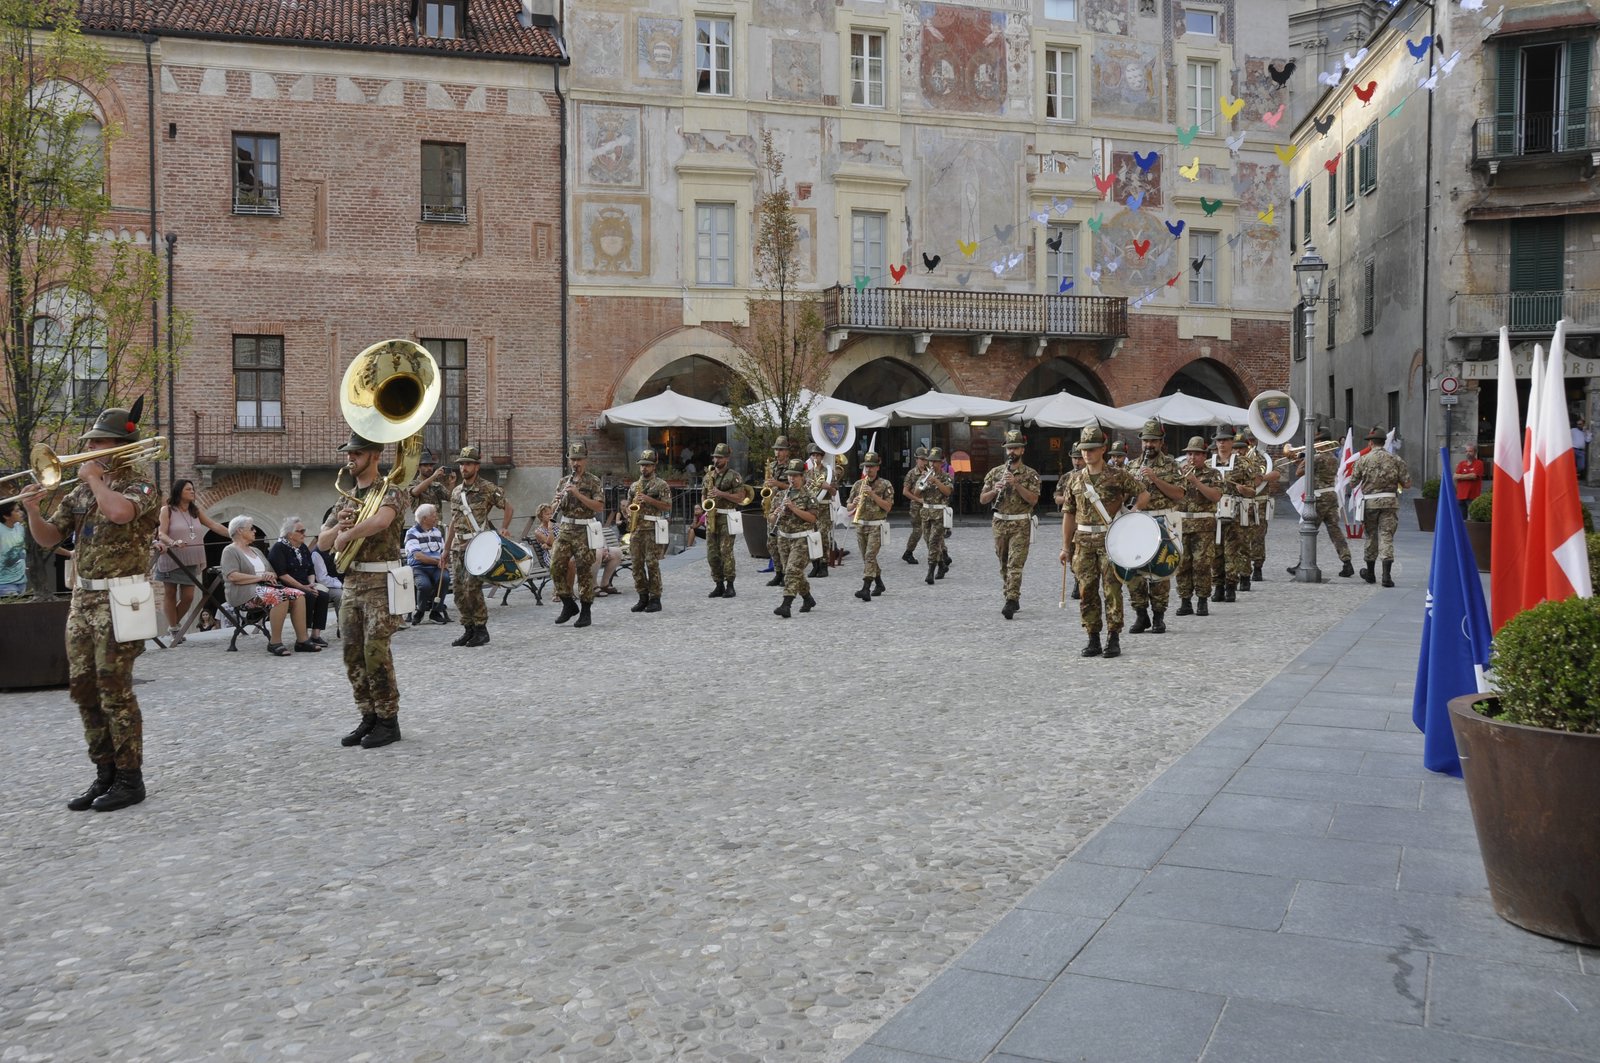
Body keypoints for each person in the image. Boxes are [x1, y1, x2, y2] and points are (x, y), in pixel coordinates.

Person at [18, 400, 160, 812]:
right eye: (91, 441)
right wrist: (31, 510)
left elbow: (119, 513)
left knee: (114, 688)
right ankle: (105, 772)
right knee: (83, 690)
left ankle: (131, 779)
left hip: (123, 597)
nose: (91, 446)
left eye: (100, 441)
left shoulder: (141, 485)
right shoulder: (79, 490)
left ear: (121, 446)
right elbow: (49, 539)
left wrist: (98, 480)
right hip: (84, 596)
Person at [316, 432, 406, 749]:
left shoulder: (391, 491)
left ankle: (388, 721)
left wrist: (349, 533)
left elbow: (381, 521)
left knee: (375, 651)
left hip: (382, 582)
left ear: (374, 455)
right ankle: (367, 715)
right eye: (349, 454)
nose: (350, 459)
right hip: (353, 582)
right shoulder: (346, 498)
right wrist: (337, 527)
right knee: (352, 653)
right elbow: (322, 542)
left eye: (356, 454)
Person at [1060, 425, 1149, 658]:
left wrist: (1133, 512)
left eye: (1091, 449)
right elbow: (1068, 514)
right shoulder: (1075, 480)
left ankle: (1113, 637)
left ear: (1103, 449)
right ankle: (1093, 638)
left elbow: (1143, 493)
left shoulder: (1117, 475)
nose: (1086, 454)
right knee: (1086, 591)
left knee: (1112, 589)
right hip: (1083, 542)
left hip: (1111, 540)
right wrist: (1065, 547)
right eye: (1083, 450)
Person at [442, 445, 513, 647]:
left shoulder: (487, 488)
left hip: (478, 545)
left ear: (477, 466)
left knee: (472, 588)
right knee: (458, 591)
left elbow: (508, 506)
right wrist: (446, 549)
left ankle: (481, 629)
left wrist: (504, 528)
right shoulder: (456, 492)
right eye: (462, 464)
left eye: (468, 464)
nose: (464, 468)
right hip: (458, 547)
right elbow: (454, 522)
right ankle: (468, 629)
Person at [222, 515, 316, 656]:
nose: (255, 531)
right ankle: (275, 642)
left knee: (298, 594)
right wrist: (259, 577)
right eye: (252, 528)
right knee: (280, 596)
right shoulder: (230, 550)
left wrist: (269, 575)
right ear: (240, 531)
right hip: (243, 592)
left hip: (265, 589)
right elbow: (232, 576)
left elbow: (273, 572)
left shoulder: (256, 551)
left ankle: (302, 640)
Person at [152, 478, 229, 643]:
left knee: (188, 596)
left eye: (193, 489)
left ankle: (173, 625)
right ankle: (174, 629)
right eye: (188, 489)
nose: (192, 492)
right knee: (170, 593)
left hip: (191, 559)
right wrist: (173, 542)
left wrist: (234, 534)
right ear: (179, 492)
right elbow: (161, 534)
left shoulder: (195, 511)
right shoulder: (167, 510)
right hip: (172, 558)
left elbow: (214, 525)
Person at [1129, 419, 1185, 634]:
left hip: (1162, 521)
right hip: (1138, 520)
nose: (1148, 445)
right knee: (1135, 570)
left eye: (1153, 441)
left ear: (1161, 442)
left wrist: (1154, 479)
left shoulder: (1171, 465)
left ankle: (1159, 616)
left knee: (1160, 570)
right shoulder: (1132, 465)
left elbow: (1179, 494)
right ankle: (1141, 614)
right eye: (1145, 441)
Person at [981, 429, 1042, 620]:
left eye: (1015, 448)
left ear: (1022, 450)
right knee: (1003, 562)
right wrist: (994, 490)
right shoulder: (995, 473)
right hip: (999, 522)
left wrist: (1015, 484)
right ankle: (1009, 593)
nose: (1012, 452)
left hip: (1020, 524)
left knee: (1015, 563)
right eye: (1009, 448)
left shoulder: (1030, 474)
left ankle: (1011, 599)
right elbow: (983, 499)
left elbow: (1033, 500)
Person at [550, 441, 605, 627]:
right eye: (573, 459)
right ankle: (568, 603)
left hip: (584, 529)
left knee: (584, 571)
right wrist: (556, 501)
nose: (576, 463)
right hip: (566, 528)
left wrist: (578, 494)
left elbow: (598, 506)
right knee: (555, 565)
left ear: (586, 460)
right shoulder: (563, 481)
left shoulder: (593, 481)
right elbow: (554, 509)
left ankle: (586, 611)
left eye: (579, 459)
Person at [1288, 428, 1355, 578]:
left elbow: (1299, 472)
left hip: (1319, 498)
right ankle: (1347, 562)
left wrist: (1305, 459)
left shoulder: (1316, 458)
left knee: (1308, 530)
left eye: (1317, 442)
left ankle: (1303, 563)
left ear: (1322, 443)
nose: (1314, 445)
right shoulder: (1333, 458)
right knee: (1335, 531)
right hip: (1331, 496)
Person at [1350, 425, 1411, 587]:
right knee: (1386, 536)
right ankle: (1386, 576)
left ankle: (1370, 574)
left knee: (1371, 536)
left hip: (1369, 503)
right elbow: (1407, 484)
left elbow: (1352, 482)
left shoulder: (1363, 460)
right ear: (1384, 442)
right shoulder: (1396, 459)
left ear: (1371, 443)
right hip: (1390, 502)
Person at [1173, 437, 1223, 616]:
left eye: (1196, 454)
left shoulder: (1213, 474)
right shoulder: (1179, 473)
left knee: (1202, 564)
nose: (1192, 458)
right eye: (1189, 454)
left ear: (1204, 455)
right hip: (1182, 525)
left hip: (1203, 526)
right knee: (1182, 564)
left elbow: (1215, 496)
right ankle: (1185, 600)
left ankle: (1202, 600)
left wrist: (1195, 481)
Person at [1207, 429, 1260, 602]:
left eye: (1226, 440)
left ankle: (1231, 586)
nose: (1222, 443)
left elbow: (1253, 491)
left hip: (1235, 512)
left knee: (1232, 551)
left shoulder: (1243, 464)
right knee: (1215, 552)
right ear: (1216, 443)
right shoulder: (1209, 464)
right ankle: (1218, 586)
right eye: (1219, 440)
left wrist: (1245, 490)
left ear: (1231, 442)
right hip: (1213, 512)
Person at [268, 516, 332, 647]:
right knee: (308, 596)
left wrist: (311, 584)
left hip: (305, 584)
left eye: (304, 530)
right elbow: (282, 574)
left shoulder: (302, 547)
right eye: (300, 531)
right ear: (290, 534)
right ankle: (303, 636)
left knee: (323, 596)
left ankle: (316, 634)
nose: (304, 534)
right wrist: (303, 588)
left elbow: (310, 569)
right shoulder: (279, 548)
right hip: (288, 585)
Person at [772, 458, 818, 618]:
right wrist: (777, 513)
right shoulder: (781, 495)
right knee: (792, 572)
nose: (792, 478)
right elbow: (770, 518)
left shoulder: (809, 496)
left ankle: (786, 605)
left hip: (802, 539)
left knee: (792, 570)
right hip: (784, 538)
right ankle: (808, 598)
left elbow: (812, 518)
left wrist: (793, 508)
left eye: (795, 476)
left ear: (802, 476)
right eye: (790, 475)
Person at [847, 451, 896, 602]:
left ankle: (865, 588)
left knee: (869, 556)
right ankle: (879, 584)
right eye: (866, 466)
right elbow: (848, 506)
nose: (868, 469)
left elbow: (888, 507)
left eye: (871, 466)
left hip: (877, 526)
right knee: (867, 558)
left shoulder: (886, 484)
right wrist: (853, 503)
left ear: (877, 468)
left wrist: (873, 495)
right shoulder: (858, 484)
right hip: (861, 525)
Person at [703, 441, 750, 597]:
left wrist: (721, 494)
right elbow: (704, 495)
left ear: (727, 459)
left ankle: (730, 585)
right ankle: (718, 584)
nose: (716, 461)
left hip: (727, 516)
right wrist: (705, 505)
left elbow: (741, 497)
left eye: (720, 458)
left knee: (726, 552)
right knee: (712, 554)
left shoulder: (734, 476)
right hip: (712, 516)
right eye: (715, 457)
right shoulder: (708, 476)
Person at [627, 448, 671, 612]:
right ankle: (642, 596)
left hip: (652, 528)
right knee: (636, 565)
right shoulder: (634, 486)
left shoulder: (661, 485)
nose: (644, 468)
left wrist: (648, 499)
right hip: (637, 529)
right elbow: (628, 506)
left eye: (647, 465)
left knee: (652, 564)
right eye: (642, 465)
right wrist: (629, 512)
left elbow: (667, 505)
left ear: (654, 466)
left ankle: (655, 598)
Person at [911, 446, 954, 587]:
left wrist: (936, 481)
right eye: (930, 461)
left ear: (941, 462)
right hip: (926, 514)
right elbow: (916, 494)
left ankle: (930, 572)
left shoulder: (946, 476)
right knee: (928, 542)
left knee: (934, 541)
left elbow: (947, 492)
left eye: (935, 462)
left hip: (940, 515)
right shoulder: (924, 476)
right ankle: (941, 564)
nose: (932, 464)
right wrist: (923, 484)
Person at [404, 503, 451, 625]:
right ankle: (420, 611)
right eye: (434, 515)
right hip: (419, 567)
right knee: (424, 585)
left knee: (445, 578)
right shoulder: (412, 533)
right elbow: (418, 556)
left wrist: (444, 561)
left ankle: (435, 612)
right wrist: (438, 561)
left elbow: (442, 551)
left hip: (436, 567)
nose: (436, 517)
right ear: (424, 519)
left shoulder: (437, 532)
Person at [762, 436, 792, 587]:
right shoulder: (772, 465)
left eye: (781, 450)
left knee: (783, 543)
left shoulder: (792, 467)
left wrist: (778, 484)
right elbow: (767, 486)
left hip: (785, 507)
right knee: (771, 543)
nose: (778, 452)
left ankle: (786, 573)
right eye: (776, 450)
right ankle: (778, 573)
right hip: (772, 507)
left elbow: (796, 487)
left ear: (787, 452)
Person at [804, 443, 837, 578]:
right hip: (811, 508)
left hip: (823, 508)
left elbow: (834, 492)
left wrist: (828, 487)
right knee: (811, 536)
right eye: (813, 455)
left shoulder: (829, 472)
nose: (815, 457)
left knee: (823, 536)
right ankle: (815, 565)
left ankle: (824, 565)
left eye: (817, 455)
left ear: (822, 457)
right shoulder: (807, 474)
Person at [408, 449, 455, 521]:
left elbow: (449, 497)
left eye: (431, 465)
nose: (429, 468)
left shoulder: (437, 485)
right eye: (425, 465)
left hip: (437, 526)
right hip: (422, 527)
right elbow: (415, 492)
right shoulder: (413, 484)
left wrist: (452, 483)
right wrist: (434, 476)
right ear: (418, 467)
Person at [901, 446, 929, 565]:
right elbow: (905, 492)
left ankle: (942, 554)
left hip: (930, 505)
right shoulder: (912, 473)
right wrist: (918, 499)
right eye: (921, 459)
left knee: (933, 530)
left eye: (925, 459)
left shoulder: (930, 472)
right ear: (916, 460)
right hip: (917, 506)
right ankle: (908, 552)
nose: (923, 462)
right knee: (918, 530)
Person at [1453, 442, 1485, 522]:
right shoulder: (1461, 464)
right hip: (1461, 495)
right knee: (1461, 519)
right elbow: (1455, 476)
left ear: (1475, 452)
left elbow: (1474, 476)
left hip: (1472, 495)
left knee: (1472, 519)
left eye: (1470, 451)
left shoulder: (1479, 463)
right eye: (1466, 451)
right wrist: (1467, 475)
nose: (1468, 453)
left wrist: (1461, 476)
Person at [0, 500, 27, 596]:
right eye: (17, 511)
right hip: (3, 583)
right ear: (6, 516)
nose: (21, 513)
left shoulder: (19, 527)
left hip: (21, 580)